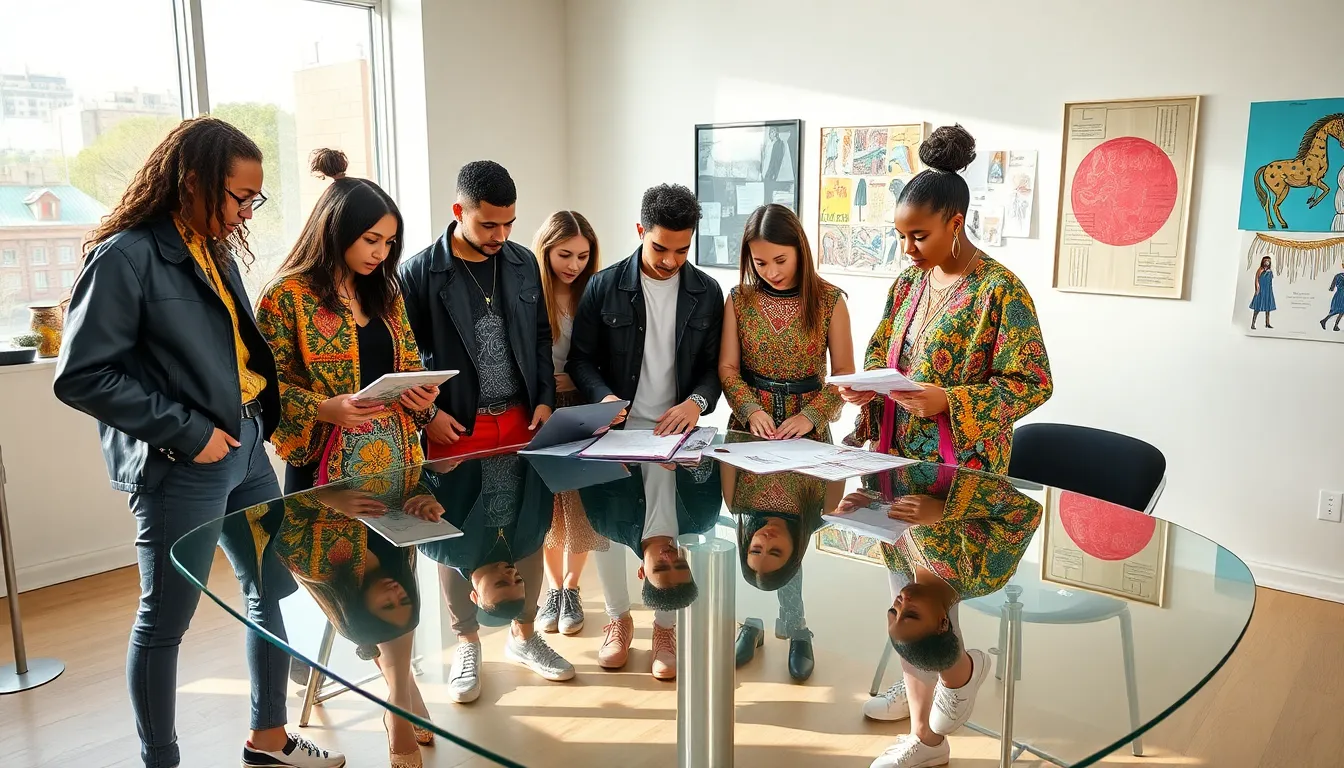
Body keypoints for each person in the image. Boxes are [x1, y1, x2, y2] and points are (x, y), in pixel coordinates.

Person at [53, 117, 343, 768]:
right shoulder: (125, 254)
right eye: (240, 196)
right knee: (165, 621)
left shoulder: (210, 245)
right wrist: (190, 434)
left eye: (255, 198)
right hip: (182, 461)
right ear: (192, 184)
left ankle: (268, 742)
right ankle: (162, 761)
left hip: (245, 449)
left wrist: (256, 425)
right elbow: (82, 376)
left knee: (273, 592)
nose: (247, 211)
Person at [839, 124, 1052, 475]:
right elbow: (881, 348)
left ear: (955, 224)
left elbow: (1033, 383)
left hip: (960, 472)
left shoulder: (999, 290)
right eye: (901, 236)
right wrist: (868, 386)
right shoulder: (908, 282)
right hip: (893, 457)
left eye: (919, 236)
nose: (908, 249)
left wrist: (950, 401)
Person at [256, 149, 438, 494]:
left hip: (397, 463)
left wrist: (423, 397)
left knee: (392, 550)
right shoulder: (285, 296)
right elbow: (262, 387)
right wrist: (323, 409)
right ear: (336, 229)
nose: (381, 254)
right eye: (371, 240)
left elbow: (410, 366)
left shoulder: (387, 292)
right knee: (323, 549)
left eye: (389, 242)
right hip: (320, 469)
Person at [839, 464, 1042, 768]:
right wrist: (947, 509)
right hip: (951, 456)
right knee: (920, 641)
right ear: (942, 623)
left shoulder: (903, 569)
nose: (901, 601)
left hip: (904, 454)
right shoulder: (982, 571)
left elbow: (897, 510)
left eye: (894, 611)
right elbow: (1026, 513)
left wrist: (871, 501)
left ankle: (945, 684)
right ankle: (958, 673)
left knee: (916, 641)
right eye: (910, 615)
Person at [263, 466, 443, 767]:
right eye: (401, 599)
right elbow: (278, 517)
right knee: (396, 610)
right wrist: (424, 497)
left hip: (343, 485)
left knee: (397, 616)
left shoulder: (319, 563)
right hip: (335, 474)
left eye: (388, 604)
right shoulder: (383, 578)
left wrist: (327, 498)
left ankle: (398, 703)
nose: (397, 591)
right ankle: (403, 697)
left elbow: (281, 522)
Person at [400, 161, 554, 459]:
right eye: (488, 225)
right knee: (459, 506)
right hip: (456, 426)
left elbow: (541, 337)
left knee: (522, 506)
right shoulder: (417, 273)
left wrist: (545, 399)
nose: (501, 235)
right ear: (458, 212)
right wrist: (428, 416)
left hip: (524, 421)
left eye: (508, 223)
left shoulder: (525, 262)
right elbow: (402, 361)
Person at [567, 182, 724, 436]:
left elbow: (715, 367)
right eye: (659, 248)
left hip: (678, 435)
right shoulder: (603, 285)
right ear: (641, 231)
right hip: (615, 432)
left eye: (682, 251)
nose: (670, 261)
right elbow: (579, 360)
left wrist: (696, 403)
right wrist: (602, 397)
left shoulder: (708, 292)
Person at [419, 451, 575, 704]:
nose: (511, 574)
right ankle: (469, 643)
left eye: (502, 582)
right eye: (517, 580)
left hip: (465, 453)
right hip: (516, 446)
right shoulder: (530, 537)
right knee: (530, 546)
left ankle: (519, 639)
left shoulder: (439, 546)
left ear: (475, 596)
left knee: (452, 551)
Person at [529, 211, 609, 636]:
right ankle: (554, 590)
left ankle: (573, 588)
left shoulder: (592, 295)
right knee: (546, 505)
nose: (574, 265)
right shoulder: (530, 295)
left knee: (579, 502)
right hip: (540, 407)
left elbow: (599, 356)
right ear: (545, 250)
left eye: (583, 255)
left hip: (581, 403)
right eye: (565, 254)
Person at [719, 203, 854, 442]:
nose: (772, 273)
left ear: (800, 249)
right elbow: (727, 368)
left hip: (808, 432)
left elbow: (844, 374)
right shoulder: (738, 299)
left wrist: (810, 416)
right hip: (751, 429)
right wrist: (751, 410)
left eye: (780, 260)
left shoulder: (830, 301)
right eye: (760, 263)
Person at [579, 458, 722, 680]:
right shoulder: (701, 518)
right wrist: (687, 465)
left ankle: (663, 628)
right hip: (673, 430)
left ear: (642, 571)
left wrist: (611, 462)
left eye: (662, 567)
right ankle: (621, 621)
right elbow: (710, 469)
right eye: (680, 563)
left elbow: (587, 473)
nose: (669, 556)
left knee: (607, 535)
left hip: (622, 435)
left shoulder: (607, 521)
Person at [723, 463, 844, 682]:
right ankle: (755, 622)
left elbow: (728, 451)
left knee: (762, 569)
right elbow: (840, 461)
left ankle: (794, 629)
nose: (766, 541)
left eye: (757, 548)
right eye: (775, 550)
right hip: (806, 438)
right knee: (766, 571)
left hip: (764, 433)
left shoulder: (737, 504)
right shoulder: (823, 512)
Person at [1250, 255, 1277, 330]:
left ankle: (1267, 323)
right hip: (1261, 290)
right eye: (1266, 261)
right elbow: (1256, 280)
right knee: (1257, 307)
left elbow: (1270, 280)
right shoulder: (1260, 269)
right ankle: (1253, 324)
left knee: (1268, 308)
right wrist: (1257, 289)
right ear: (1263, 261)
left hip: (1268, 291)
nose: (1267, 262)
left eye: (1268, 261)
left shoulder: (1270, 271)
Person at [1322, 260, 1344, 331]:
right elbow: (1332, 288)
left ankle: (1335, 325)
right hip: (1341, 295)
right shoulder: (1338, 276)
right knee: (1337, 310)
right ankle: (1325, 321)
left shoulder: (1337, 276)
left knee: (1341, 311)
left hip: (1338, 295)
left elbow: (1331, 288)